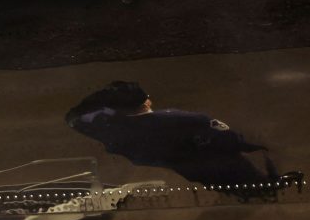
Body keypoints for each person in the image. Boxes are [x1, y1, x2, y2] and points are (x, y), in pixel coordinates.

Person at [65, 80, 302, 194]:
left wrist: (105, 100)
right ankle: (264, 191)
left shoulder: (109, 126)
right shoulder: (183, 119)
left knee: (213, 179)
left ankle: (237, 192)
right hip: (211, 161)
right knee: (246, 171)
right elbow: (229, 139)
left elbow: (73, 117)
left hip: (178, 165)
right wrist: (251, 145)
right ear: (146, 102)